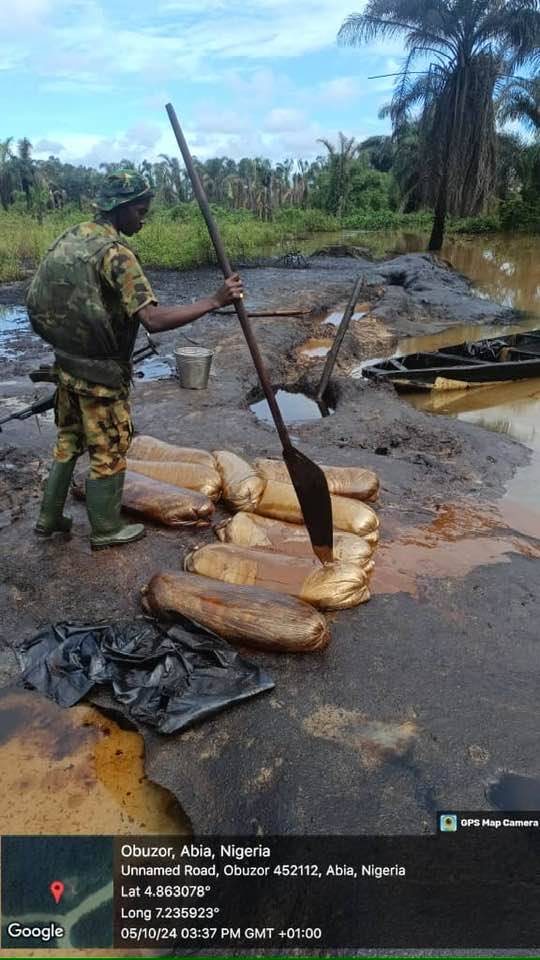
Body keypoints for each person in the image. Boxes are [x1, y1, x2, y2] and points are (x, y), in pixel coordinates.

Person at [27, 168, 243, 550]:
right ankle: (107, 529)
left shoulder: (73, 236)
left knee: (68, 441)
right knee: (108, 451)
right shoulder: (116, 254)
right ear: (121, 208)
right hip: (100, 375)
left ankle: (49, 518)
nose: (143, 218)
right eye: (140, 210)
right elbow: (153, 320)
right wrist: (214, 301)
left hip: (68, 365)